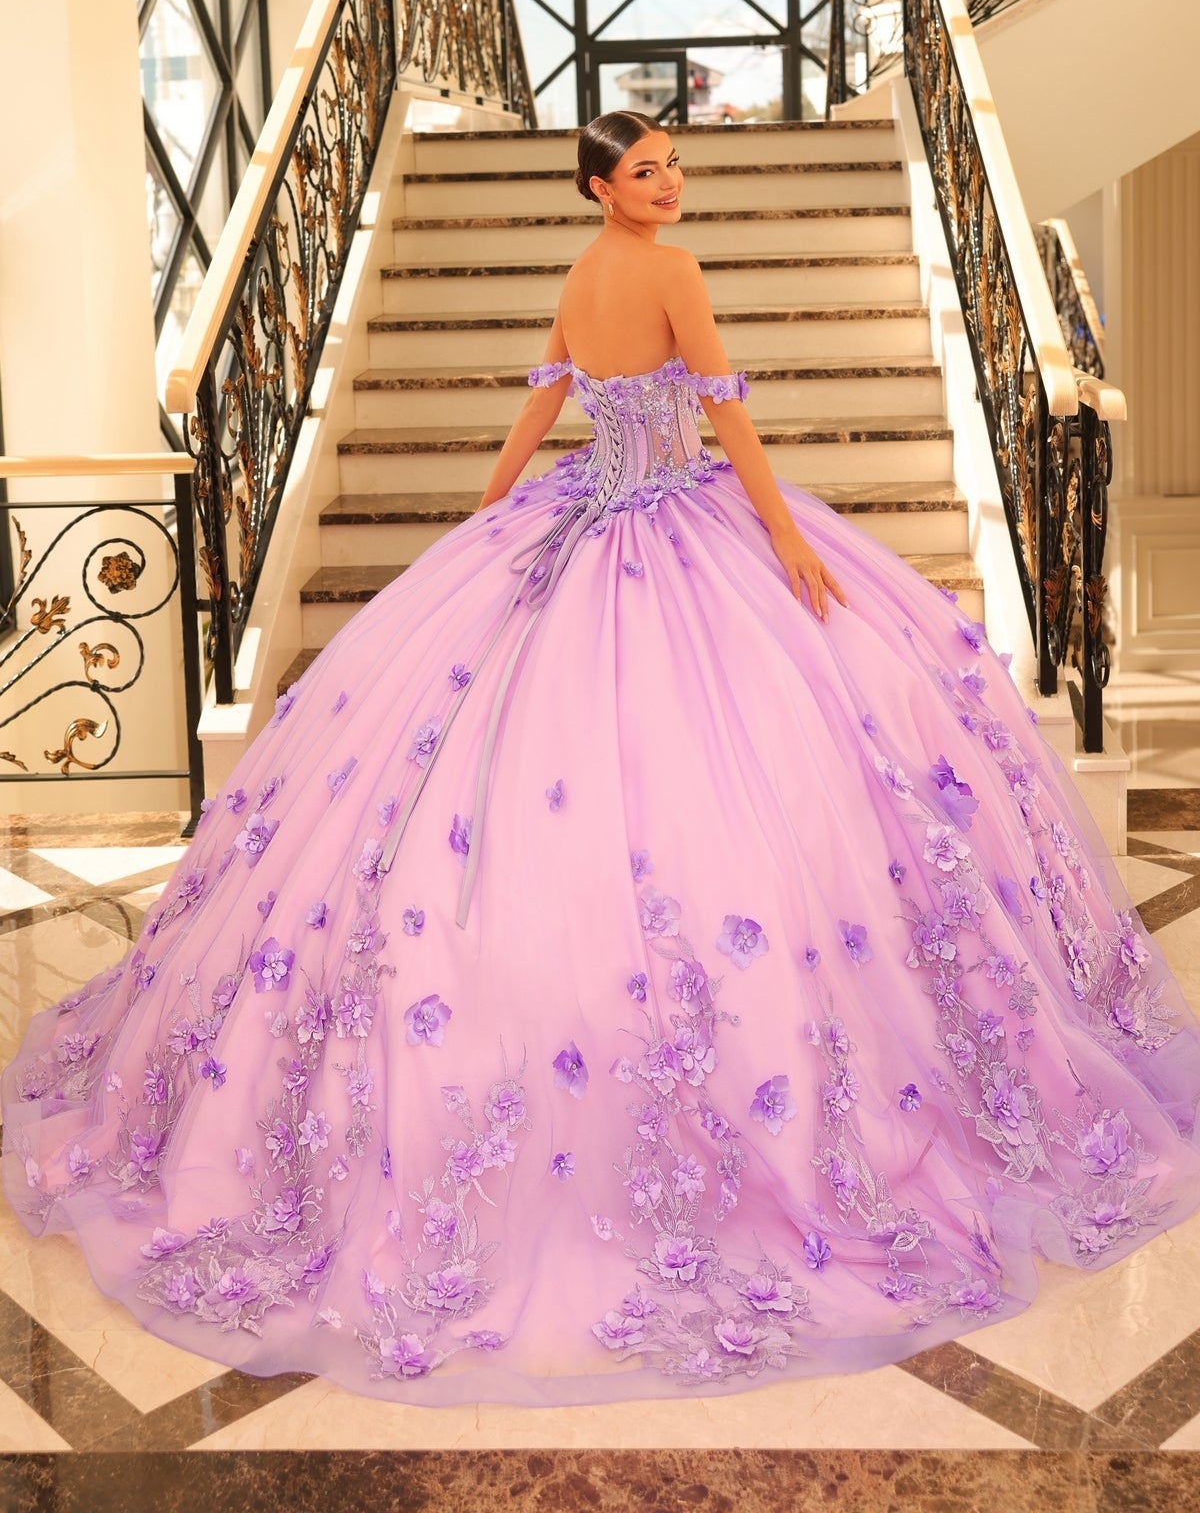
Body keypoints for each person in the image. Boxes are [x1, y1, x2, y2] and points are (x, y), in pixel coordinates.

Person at [4, 110, 1199, 1408]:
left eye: (672, 164)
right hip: (680, 520)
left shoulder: (582, 271)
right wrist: (784, 538)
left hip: (575, 518)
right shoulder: (671, 274)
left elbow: (551, 401)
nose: (668, 182)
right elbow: (724, 412)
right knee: (771, 775)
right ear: (600, 184)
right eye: (645, 169)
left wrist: (491, 509)